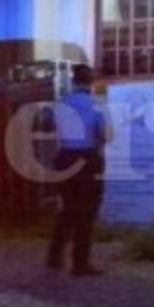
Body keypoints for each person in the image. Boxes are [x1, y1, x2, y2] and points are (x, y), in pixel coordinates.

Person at [46, 63, 112, 277]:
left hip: (64, 158)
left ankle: (54, 257)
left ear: (74, 82)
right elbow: (106, 136)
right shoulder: (97, 105)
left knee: (68, 208)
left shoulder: (60, 104)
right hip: (87, 159)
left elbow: (51, 128)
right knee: (87, 212)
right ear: (91, 82)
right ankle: (80, 263)